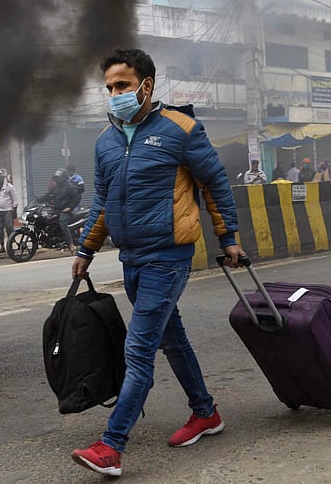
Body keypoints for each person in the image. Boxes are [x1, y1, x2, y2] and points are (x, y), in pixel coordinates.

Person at [70, 48, 247, 477]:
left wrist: (229, 238)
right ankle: (205, 413)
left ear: (146, 85)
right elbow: (103, 202)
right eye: (109, 87)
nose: (114, 94)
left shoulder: (181, 129)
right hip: (130, 257)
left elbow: (214, 183)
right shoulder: (106, 141)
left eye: (122, 86)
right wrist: (85, 249)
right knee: (172, 339)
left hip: (168, 258)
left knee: (140, 349)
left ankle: (112, 445)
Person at [37, 168, 80, 255]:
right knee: (46, 220)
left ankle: (71, 245)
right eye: (56, 177)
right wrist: (38, 200)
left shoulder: (69, 187)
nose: (57, 179)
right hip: (56, 210)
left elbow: (77, 198)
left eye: (59, 177)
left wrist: (70, 207)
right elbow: (48, 195)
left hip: (66, 211)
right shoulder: (56, 187)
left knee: (62, 224)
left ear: (64, 177)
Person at [0, 169, 17, 254]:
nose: (1, 179)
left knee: (9, 228)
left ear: (5, 177)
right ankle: (2, 246)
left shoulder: (10, 187)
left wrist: (14, 211)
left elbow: (15, 199)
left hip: (7, 211)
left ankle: (11, 246)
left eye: (2, 177)